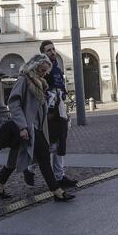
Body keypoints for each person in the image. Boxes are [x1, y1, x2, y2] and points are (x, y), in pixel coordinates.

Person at [0, 54, 74, 202]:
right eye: (42, 70)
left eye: (45, 71)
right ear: (34, 67)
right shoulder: (24, 79)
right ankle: (57, 191)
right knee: (43, 157)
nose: (43, 74)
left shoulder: (39, 83)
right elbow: (14, 103)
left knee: (15, 158)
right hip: (28, 127)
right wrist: (22, 127)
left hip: (37, 127)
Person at [39, 40, 77, 189]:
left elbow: (61, 90)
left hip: (59, 111)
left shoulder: (57, 69)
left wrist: (65, 110)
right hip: (49, 114)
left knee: (61, 144)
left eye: (53, 49)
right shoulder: (42, 71)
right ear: (43, 53)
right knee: (49, 146)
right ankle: (31, 169)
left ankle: (59, 176)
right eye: (48, 50)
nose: (52, 52)